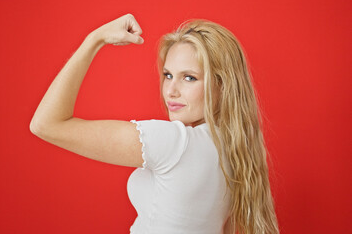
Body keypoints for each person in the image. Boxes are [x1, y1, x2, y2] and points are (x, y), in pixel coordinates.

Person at [30, 13, 279, 234]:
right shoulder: (238, 148)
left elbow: (45, 124)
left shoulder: (173, 143)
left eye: (189, 78)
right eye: (168, 75)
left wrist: (94, 40)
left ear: (222, 86)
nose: (170, 90)